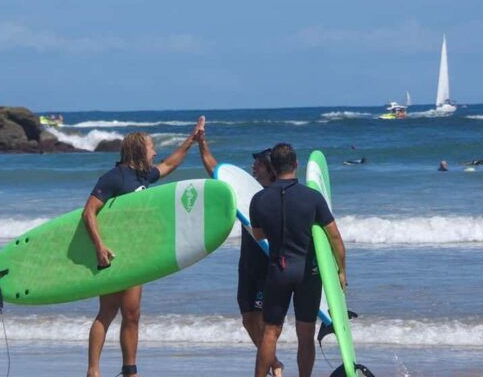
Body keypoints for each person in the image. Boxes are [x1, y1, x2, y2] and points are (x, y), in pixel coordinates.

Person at [82, 117, 205, 377]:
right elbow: (89, 212)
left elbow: (170, 163)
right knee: (106, 312)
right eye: (151, 147)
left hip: (136, 256)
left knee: (132, 314)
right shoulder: (114, 177)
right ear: (139, 149)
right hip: (112, 255)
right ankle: (93, 371)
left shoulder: (143, 175)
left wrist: (192, 139)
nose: (155, 151)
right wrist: (99, 246)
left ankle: (130, 370)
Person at [250, 143, 346, 377]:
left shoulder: (259, 200)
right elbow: (334, 237)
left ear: (273, 166)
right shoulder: (312, 198)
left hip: (278, 271)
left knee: (270, 332)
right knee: (305, 334)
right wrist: (341, 271)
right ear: (296, 164)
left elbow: (259, 235)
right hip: (307, 273)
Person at [196, 133, 283, 377]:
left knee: (269, 325)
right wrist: (202, 144)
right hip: (247, 265)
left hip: (268, 266)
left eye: (258, 163)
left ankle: (270, 368)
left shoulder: (278, 196)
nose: (253, 166)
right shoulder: (249, 192)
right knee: (247, 319)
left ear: (269, 168)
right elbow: (216, 171)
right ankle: (274, 362)